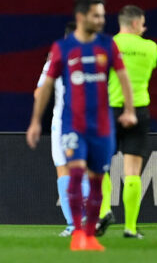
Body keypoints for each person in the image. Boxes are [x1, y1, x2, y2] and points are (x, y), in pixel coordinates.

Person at [26, 0, 137, 251]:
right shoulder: (62, 50)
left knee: (96, 178)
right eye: (96, 16)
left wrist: (129, 110)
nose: (101, 20)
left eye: (102, 15)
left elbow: (124, 78)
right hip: (70, 123)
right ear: (81, 18)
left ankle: (88, 233)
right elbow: (42, 89)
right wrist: (34, 122)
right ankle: (76, 230)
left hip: (101, 123)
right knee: (74, 172)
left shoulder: (108, 46)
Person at [96, 5, 157, 239]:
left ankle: (105, 211)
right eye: (142, 23)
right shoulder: (151, 47)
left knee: (100, 166)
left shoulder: (107, 45)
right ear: (134, 24)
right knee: (132, 172)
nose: (144, 28)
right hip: (139, 111)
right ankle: (130, 228)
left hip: (110, 110)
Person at [35, 22, 90, 237]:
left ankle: (72, 223)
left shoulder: (56, 57)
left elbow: (39, 93)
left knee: (63, 169)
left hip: (63, 121)